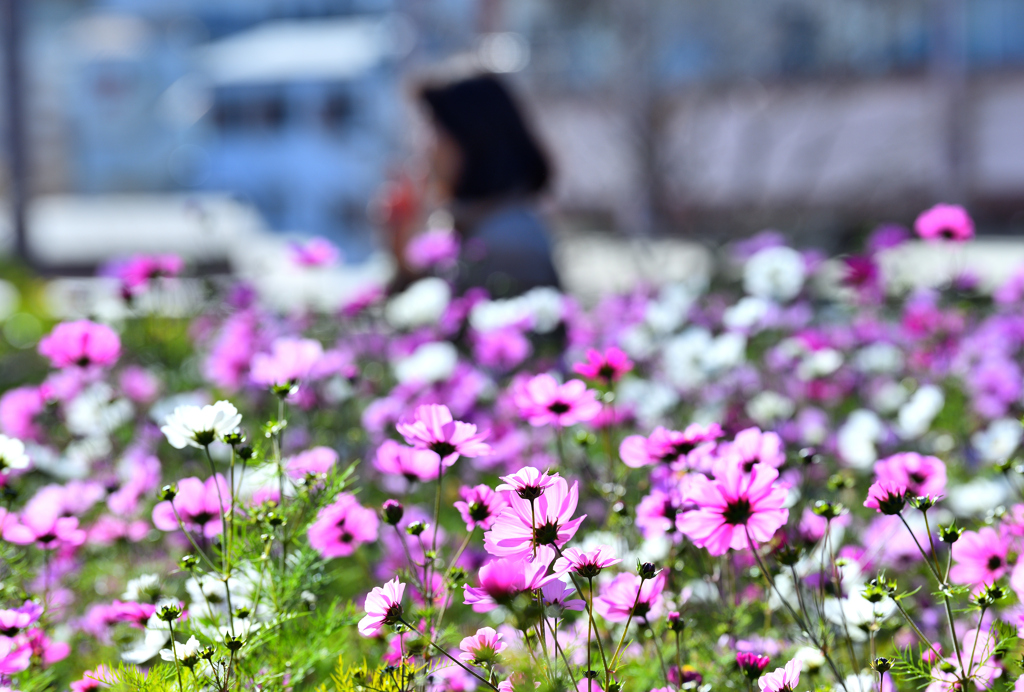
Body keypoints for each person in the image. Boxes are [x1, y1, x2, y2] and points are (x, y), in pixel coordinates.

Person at [384, 72, 560, 297]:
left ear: (473, 139)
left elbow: (444, 323)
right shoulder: (474, 224)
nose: (425, 148)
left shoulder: (509, 243)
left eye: (434, 128)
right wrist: (403, 241)